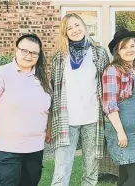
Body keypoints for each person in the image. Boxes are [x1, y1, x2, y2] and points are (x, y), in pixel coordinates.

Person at [0, 34, 51, 186]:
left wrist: (48, 129)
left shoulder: (43, 79)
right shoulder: (1, 74)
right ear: (16, 50)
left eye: (34, 53)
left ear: (39, 56)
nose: (28, 56)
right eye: (24, 51)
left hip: (34, 149)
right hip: (5, 148)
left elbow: (47, 108)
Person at [50, 13, 110, 186]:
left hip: (93, 119)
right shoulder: (60, 57)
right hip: (66, 120)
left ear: (84, 26)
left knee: (91, 169)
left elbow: (104, 84)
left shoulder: (99, 53)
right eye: (69, 28)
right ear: (65, 33)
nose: (75, 30)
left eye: (77, 25)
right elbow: (55, 89)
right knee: (61, 169)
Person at [102, 28, 135, 186]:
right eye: (123, 47)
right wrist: (120, 133)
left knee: (125, 175)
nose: (129, 50)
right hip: (124, 133)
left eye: (132, 46)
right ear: (117, 51)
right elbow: (109, 104)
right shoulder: (113, 70)